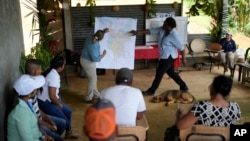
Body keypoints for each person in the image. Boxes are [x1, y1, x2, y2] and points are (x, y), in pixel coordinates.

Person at [130, 17, 188, 96]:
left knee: (159, 73)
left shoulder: (175, 35)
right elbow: (150, 31)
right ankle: (183, 86)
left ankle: (151, 91)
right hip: (164, 56)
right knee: (171, 73)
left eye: (165, 25)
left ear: (170, 27)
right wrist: (137, 32)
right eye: (164, 23)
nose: (163, 25)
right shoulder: (162, 29)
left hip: (168, 57)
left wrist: (183, 59)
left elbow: (182, 47)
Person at [176, 75, 241, 129]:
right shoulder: (235, 107)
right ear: (228, 92)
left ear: (212, 88)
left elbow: (180, 126)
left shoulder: (201, 107)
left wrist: (178, 115)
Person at [37, 55, 79, 139]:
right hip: (46, 102)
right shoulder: (53, 76)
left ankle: (69, 131)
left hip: (50, 100)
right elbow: (52, 96)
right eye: (64, 64)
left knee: (68, 111)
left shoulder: (51, 71)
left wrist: (59, 103)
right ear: (61, 67)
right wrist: (59, 105)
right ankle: (59, 135)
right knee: (64, 120)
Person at [25, 59, 66, 141]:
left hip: (40, 117)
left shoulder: (33, 85)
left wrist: (48, 119)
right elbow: (33, 118)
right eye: (40, 69)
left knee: (63, 123)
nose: (42, 71)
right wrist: (48, 125)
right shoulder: (28, 89)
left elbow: (36, 108)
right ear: (36, 72)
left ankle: (52, 136)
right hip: (36, 124)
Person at [6, 74, 53, 141]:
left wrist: (43, 137)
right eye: (36, 88)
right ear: (30, 93)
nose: (37, 89)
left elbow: (33, 129)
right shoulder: (21, 112)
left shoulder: (25, 103)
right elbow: (28, 139)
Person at [80, 28, 109, 103]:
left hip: (86, 60)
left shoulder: (92, 37)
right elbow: (96, 58)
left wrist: (104, 32)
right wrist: (103, 55)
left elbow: (98, 35)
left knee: (94, 78)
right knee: (92, 79)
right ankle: (88, 97)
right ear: (100, 39)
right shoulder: (93, 45)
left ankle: (96, 94)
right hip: (88, 62)